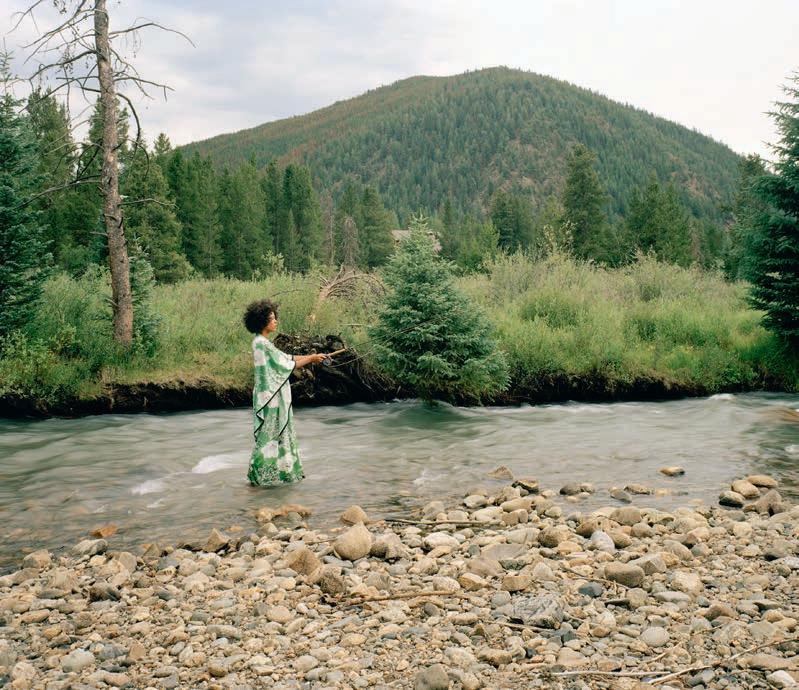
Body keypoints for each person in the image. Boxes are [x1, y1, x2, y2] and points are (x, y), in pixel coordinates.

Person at [243, 299, 327, 486]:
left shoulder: (262, 342)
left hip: (269, 395)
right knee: (268, 436)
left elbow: (287, 357)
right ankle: (261, 476)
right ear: (262, 321)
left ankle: (278, 474)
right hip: (270, 397)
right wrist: (311, 358)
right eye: (271, 318)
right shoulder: (261, 344)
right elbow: (286, 364)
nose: (275, 321)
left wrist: (312, 357)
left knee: (275, 435)